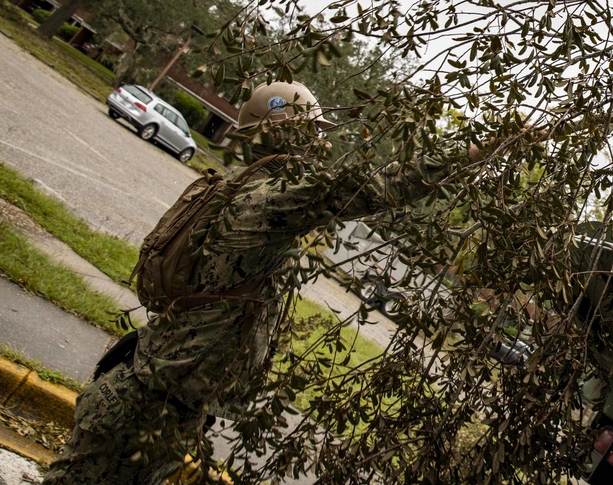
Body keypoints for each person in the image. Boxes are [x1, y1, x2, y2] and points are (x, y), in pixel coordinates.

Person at [43, 81, 470, 484]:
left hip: (161, 401)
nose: (322, 143)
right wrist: (473, 148)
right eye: (311, 132)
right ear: (280, 137)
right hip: (144, 408)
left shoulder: (241, 185)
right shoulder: (274, 199)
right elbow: (379, 187)